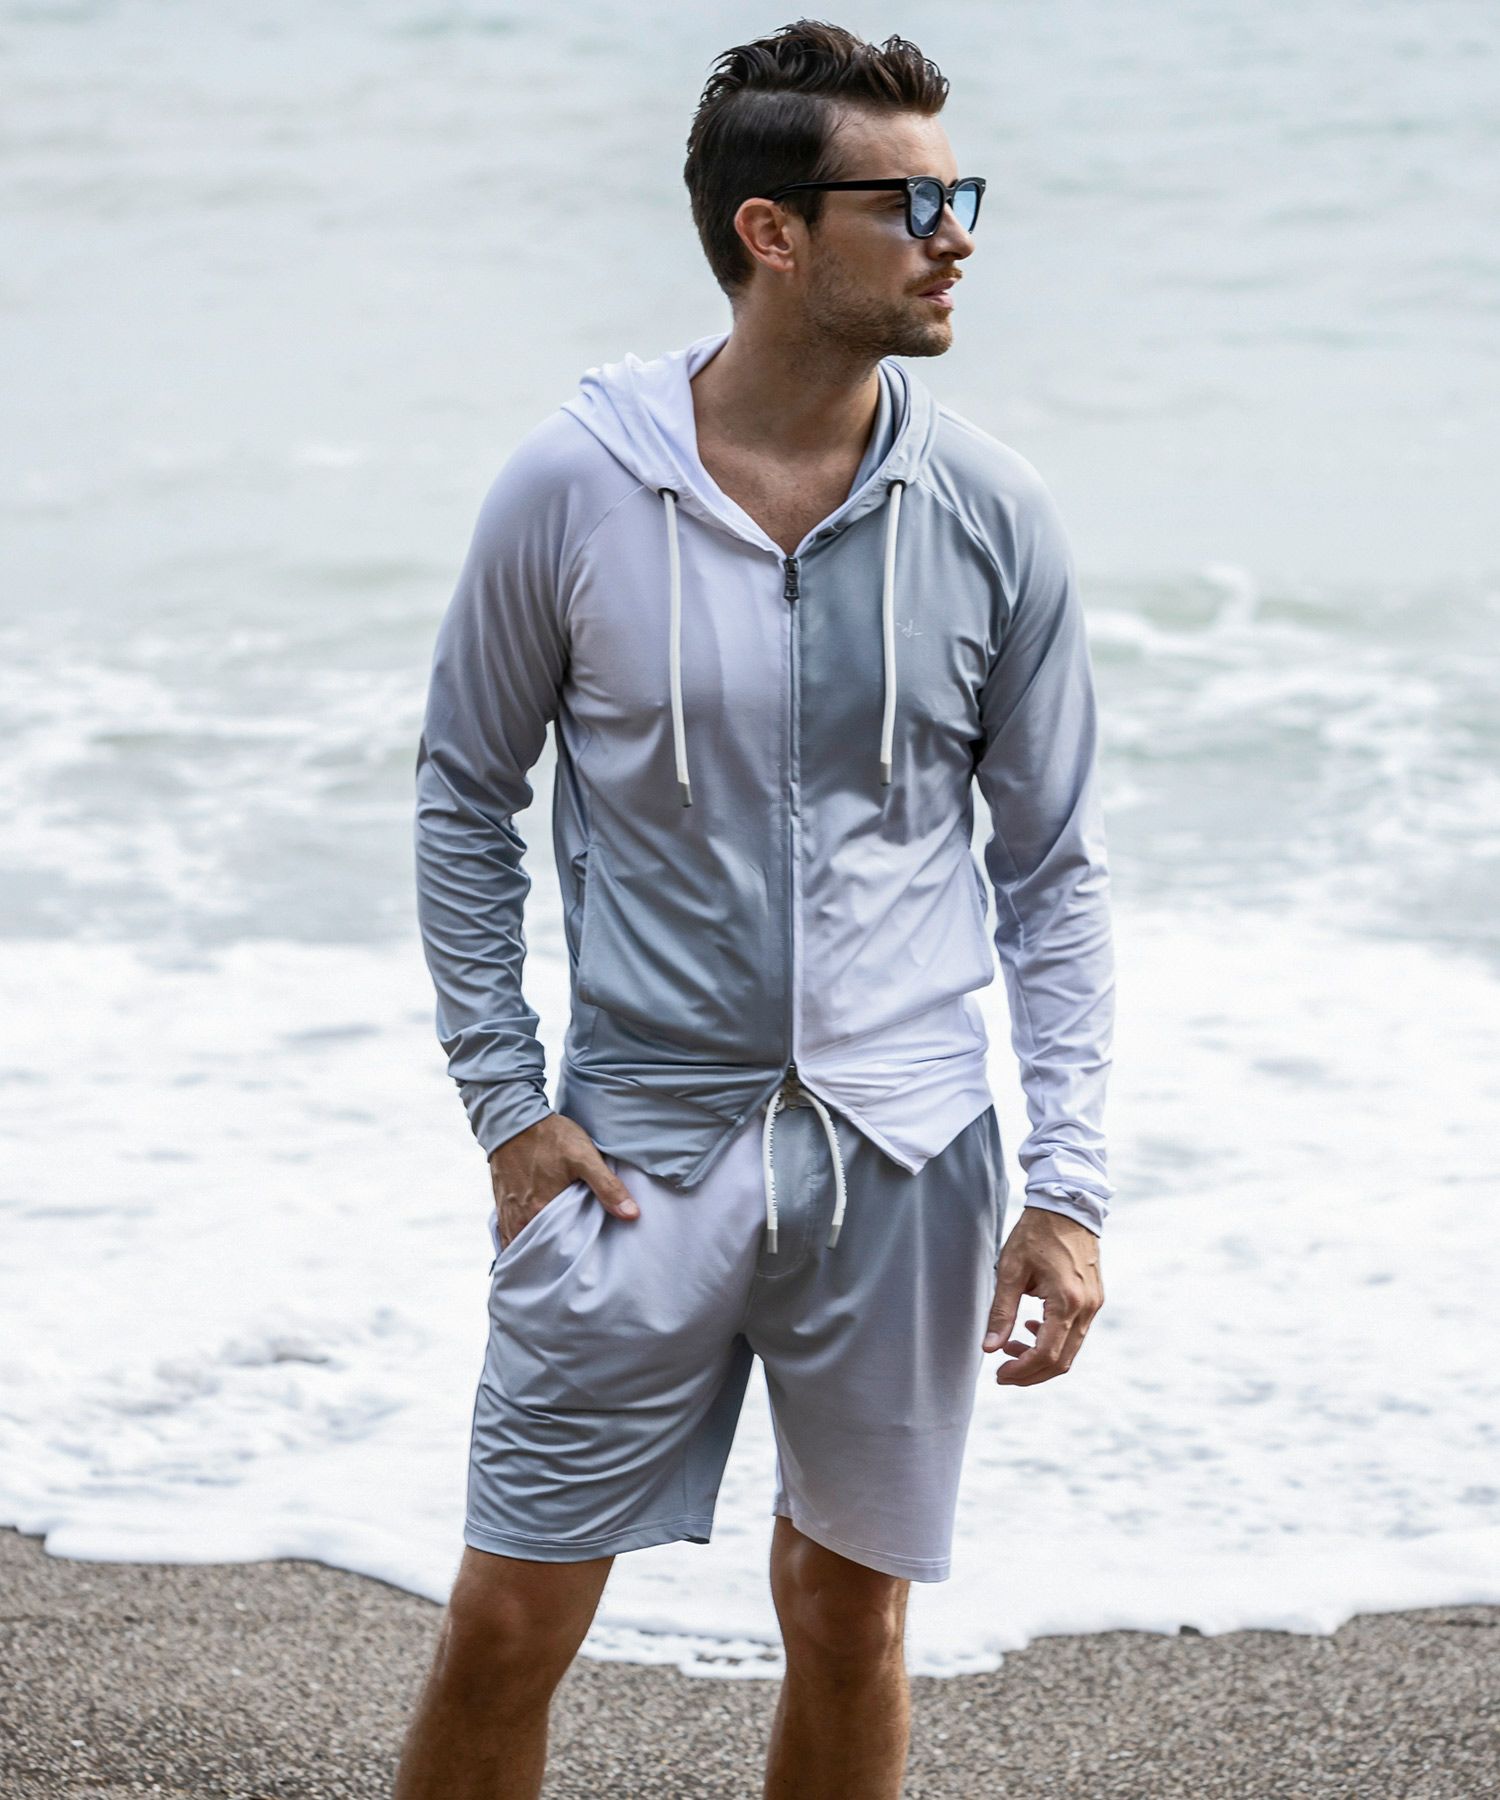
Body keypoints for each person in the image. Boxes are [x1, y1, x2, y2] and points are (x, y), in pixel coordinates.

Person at [394, 20, 1114, 1800]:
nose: (957, 234)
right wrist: (507, 1105)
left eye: (962, 193)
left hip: (909, 1150)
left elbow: (1052, 870)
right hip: (634, 1151)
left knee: (852, 1617)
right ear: (773, 232)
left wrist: (1068, 1188)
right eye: (912, 202)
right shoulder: (573, 485)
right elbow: (464, 794)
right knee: (508, 1616)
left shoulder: (993, 510)